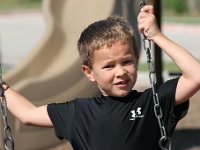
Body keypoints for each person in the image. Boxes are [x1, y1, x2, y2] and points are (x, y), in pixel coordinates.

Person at [2, 5, 200, 150]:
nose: (120, 72)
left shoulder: (151, 102)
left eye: (127, 62)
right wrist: (4, 89)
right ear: (89, 72)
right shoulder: (78, 112)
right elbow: (27, 114)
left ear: (137, 59)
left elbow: (195, 76)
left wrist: (156, 36)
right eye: (109, 66)